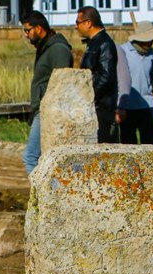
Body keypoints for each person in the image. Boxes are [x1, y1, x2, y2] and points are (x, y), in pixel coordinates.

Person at [21, 11, 74, 174]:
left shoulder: (57, 49)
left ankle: (42, 197)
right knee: (44, 158)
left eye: (27, 30)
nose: (26, 35)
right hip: (43, 108)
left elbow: (62, 80)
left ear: (38, 28)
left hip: (49, 110)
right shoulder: (45, 48)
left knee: (30, 156)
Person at [116, 21, 153, 145]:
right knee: (129, 144)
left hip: (147, 106)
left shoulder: (151, 53)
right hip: (127, 107)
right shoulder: (123, 51)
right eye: (150, 40)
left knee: (149, 143)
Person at [75, 6, 119, 143]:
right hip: (95, 106)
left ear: (88, 23)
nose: (76, 27)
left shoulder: (104, 43)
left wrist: (89, 96)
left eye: (78, 23)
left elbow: (106, 76)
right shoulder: (94, 43)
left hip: (102, 107)